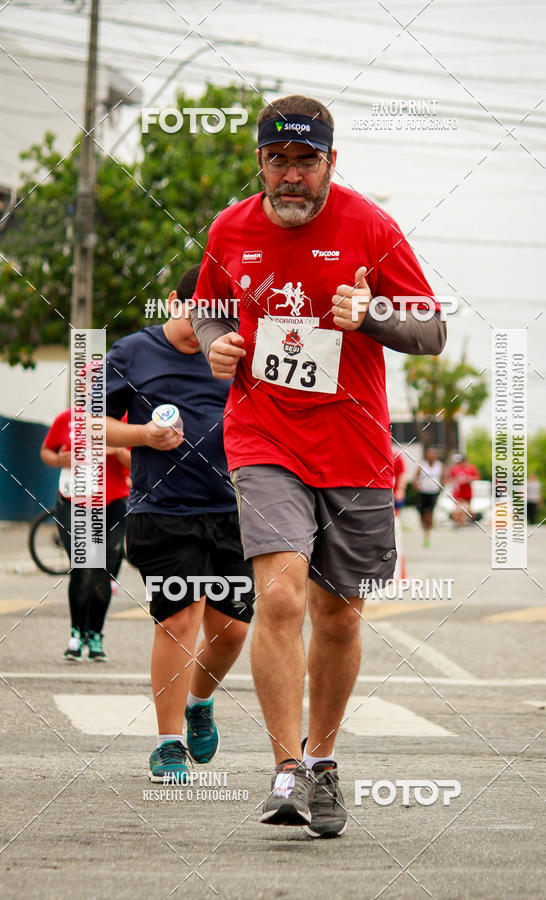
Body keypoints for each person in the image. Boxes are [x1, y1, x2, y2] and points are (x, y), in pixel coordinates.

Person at [190, 94, 446, 837]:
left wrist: (368, 316)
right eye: (279, 161)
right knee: (279, 600)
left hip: (356, 450)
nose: (292, 176)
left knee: (338, 614)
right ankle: (286, 768)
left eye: (308, 161)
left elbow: (430, 331)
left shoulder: (371, 227)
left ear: (333, 161)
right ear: (259, 164)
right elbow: (207, 308)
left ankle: (324, 761)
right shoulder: (229, 229)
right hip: (264, 436)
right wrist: (217, 343)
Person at [104, 264, 254, 783]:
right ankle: (168, 745)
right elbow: (86, 421)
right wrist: (143, 436)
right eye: (199, 314)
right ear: (173, 301)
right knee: (179, 619)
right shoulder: (133, 352)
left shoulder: (234, 355)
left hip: (230, 511)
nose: (206, 331)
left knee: (232, 629)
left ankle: (199, 702)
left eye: (221, 319)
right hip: (162, 510)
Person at [41, 409, 130, 661]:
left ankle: (95, 634)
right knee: (82, 567)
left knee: (106, 570)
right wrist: (59, 460)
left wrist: (116, 449)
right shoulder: (67, 418)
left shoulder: (123, 420)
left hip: (113, 504)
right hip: (74, 503)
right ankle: (76, 634)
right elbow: (46, 451)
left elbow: (137, 464)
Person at [413, 447, 443, 547]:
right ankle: (425, 525)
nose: (431, 456)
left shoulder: (439, 465)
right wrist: (416, 484)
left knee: (429, 512)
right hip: (423, 492)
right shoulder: (422, 465)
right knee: (422, 513)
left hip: (434, 492)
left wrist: (442, 486)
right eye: (429, 454)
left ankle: (427, 533)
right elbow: (415, 478)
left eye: (433, 454)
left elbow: (443, 477)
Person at [446, 453, 480, 526]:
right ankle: (459, 522)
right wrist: (456, 480)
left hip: (467, 492)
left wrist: (469, 479)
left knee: (468, 509)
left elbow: (477, 477)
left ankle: (468, 521)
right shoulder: (454, 469)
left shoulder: (471, 468)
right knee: (459, 508)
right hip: (458, 493)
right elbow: (449, 479)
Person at [392, 447, 407, 513]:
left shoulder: (396, 457)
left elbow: (402, 475)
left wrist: (400, 490)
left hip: (395, 493)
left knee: (395, 515)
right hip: (381, 494)